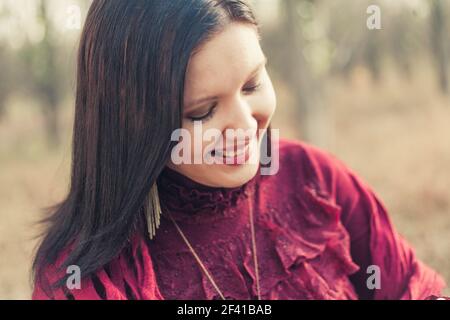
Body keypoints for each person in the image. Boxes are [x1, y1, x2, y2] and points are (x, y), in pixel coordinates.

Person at [32, 0, 446, 300]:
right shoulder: (87, 277)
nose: (246, 125)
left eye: (251, 85)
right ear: (133, 124)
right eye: (202, 112)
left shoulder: (312, 177)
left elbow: (411, 285)